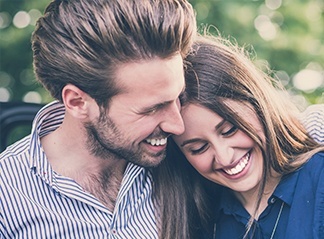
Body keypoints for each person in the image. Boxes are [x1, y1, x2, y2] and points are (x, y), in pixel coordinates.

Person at [0, 0, 196, 238]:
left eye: (178, 97)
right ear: (78, 102)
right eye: (151, 109)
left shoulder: (189, 160)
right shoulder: (6, 197)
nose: (177, 125)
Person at [166, 35, 324, 238]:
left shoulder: (318, 178)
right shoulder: (197, 222)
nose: (224, 157)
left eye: (230, 130)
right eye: (198, 148)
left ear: (257, 102)